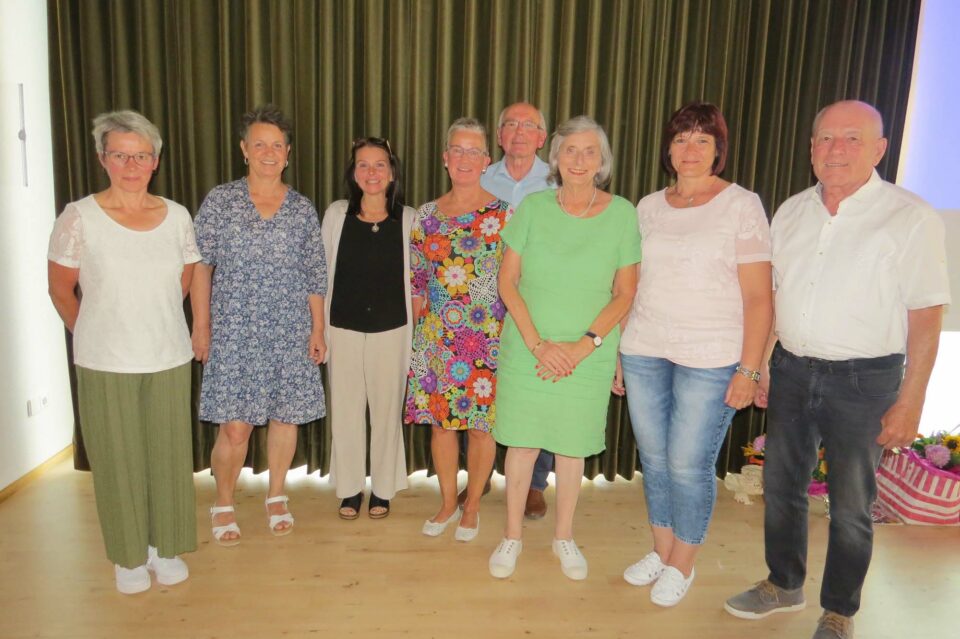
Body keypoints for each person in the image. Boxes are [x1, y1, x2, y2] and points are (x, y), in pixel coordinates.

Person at [724, 100, 950, 639]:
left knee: (851, 505)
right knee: (782, 487)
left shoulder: (910, 216)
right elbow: (779, 294)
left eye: (852, 138)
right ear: (811, 149)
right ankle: (784, 583)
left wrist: (911, 400)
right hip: (792, 370)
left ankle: (839, 610)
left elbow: (926, 315)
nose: (836, 149)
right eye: (825, 138)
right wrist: (765, 365)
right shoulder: (791, 211)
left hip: (865, 382)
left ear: (879, 149)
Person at [617, 102, 773, 606]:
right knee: (655, 459)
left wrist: (750, 368)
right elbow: (630, 285)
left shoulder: (741, 205)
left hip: (712, 356)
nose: (690, 149)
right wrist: (619, 349)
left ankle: (683, 563)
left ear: (718, 149)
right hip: (644, 348)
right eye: (682, 138)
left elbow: (760, 297)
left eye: (702, 139)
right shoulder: (647, 207)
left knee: (687, 463)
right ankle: (662, 550)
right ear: (668, 148)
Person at [47, 110, 198, 594]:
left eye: (141, 156)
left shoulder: (177, 216)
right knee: (117, 461)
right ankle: (129, 557)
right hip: (104, 361)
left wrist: (148, 322)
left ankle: (165, 547)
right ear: (102, 159)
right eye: (120, 155)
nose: (131, 165)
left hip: (168, 355)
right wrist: (96, 331)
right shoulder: (79, 217)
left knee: (167, 458)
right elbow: (60, 289)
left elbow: (183, 282)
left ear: (155, 161)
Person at [488, 116, 642, 581]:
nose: (579, 159)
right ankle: (511, 536)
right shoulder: (533, 208)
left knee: (572, 449)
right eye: (570, 150)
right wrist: (537, 345)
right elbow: (507, 281)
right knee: (522, 445)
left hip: (587, 352)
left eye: (589, 151)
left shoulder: (622, 214)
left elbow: (625, 293)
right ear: (555, 158)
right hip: (527, 346)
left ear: (602, 161)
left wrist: (582, 347)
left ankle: (564, 537)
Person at [191, 105, 327, 545]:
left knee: (285, 417)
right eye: (260, 144)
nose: (269, 152)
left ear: (288, 154)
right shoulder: (221, 201)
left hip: (289, 330)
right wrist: (201, 326)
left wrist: (318, 329)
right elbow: (200, 266)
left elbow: (315, 274)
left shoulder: (302, 209)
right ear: (244, 150)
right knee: (235, 427)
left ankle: (276, 495)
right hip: (235, 331)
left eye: (277, 145)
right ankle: (223, 501)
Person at [405, 117, 509, 542]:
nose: (465, 158)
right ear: (445, 158)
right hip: (438, 339)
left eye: (474, 151)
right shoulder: (426, 216)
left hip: (486, 339)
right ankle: (448, 502)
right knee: (441, 426)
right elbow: (418, 280)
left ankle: (473, 506)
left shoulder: (505, 215)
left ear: (486, 160)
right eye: (458, 150)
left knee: (482, 427)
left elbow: (516, 281)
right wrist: (421, 339)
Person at [321, 137, 416, 520]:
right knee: (345, 411)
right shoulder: (336, 214)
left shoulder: (408, 219)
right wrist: (317, 330)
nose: (372, 172)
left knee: (387, 412)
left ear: (392, 172)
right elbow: (320, 274)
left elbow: (418, 280)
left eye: (380, 164)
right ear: (353, 172)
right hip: (342, 328)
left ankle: (382, 489)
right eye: (363, 164)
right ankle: (349, 490)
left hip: (392, 330)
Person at [479, 101, 555, 520]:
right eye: (510, 124)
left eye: (529, 125)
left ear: (542, 138)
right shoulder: (481, 177)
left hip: (538, 298)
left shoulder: (558, 181)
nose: (519, 131)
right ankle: (481, 472)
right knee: (482, 385)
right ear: (499, 135)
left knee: (536, 389)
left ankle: (534, 483)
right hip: (481, 300)